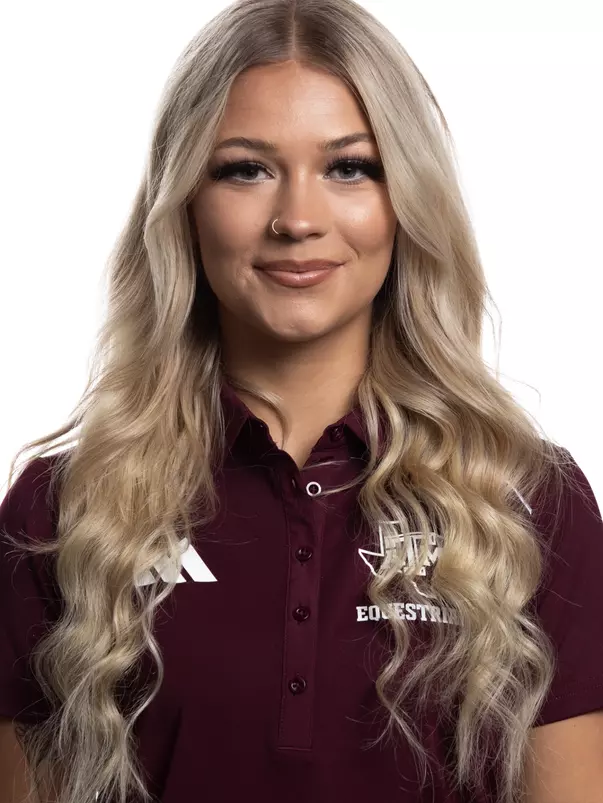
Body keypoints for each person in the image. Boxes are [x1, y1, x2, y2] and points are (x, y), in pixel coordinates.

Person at [1, 1, 602, 801]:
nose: (297, 219)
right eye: (244, 169)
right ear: (184, 203)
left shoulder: (529, 502)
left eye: (349, 167)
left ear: (406, 199)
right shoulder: (61, 511)